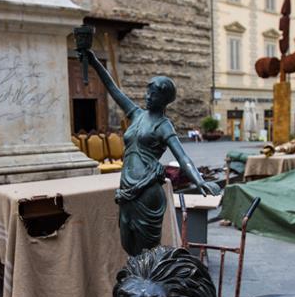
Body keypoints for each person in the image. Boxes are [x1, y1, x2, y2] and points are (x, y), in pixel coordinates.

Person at [79, 49, 219, 255]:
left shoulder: (164, 125)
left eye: (153, 94)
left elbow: (182, 156)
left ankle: (146, 275)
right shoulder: (136, 114)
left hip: (147, 190)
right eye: (148, 92)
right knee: (128, 244)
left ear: (164, 99)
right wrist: (94, 62)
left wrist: (199, 181)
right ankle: (137, 273)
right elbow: (113, 88)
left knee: (146, 250)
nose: (148, 97)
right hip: (127, 187)